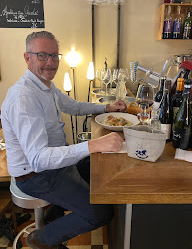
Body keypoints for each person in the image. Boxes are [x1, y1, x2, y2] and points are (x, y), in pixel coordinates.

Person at [1, 31, 127, 249]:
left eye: (54, 56)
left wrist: (106, 108)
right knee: (102, 212)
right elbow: (39, 160)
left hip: (54, 164)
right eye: (42, 55)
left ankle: (54, 212)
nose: (50, 63)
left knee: (102, 170)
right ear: (27, 57)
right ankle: (41, 239)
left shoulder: (44, 85)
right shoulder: (24, 98)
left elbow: (73, 106)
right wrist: (93, 144)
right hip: (36, 175)